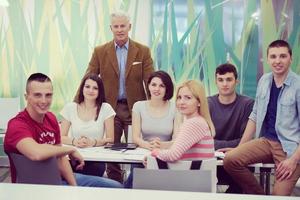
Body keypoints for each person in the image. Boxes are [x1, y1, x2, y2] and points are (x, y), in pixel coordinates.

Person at [4, 73, 122, 188]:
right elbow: (36, 153)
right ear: (26, 97)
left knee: (116, 187)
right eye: (37, 95)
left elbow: (61, 158)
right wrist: (70, 149)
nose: (44, 101)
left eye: (48, 95)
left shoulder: (50, 118)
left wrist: (74, 188)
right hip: (37, 186)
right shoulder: (17, 125)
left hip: (60, 179)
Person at [78, 11, 154, 182]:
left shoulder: (142, 51)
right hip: (110, 107)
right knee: (111, 148)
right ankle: (116, 184)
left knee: (138, 147)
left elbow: (151, 81)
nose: (120, 30)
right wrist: (78, 103)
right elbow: (88, 78)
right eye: (116, 26)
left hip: (135, 107)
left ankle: (136, 182)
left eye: (123, 26)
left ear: (129, 27)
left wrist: (154, 108)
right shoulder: (100, 51)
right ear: (110, 28)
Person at [223, 40, 300, 195]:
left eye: (282, 56)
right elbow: (255, 115)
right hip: (266, 141)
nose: (277, 61)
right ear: (267, 59)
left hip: (290, 147)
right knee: (230, 160)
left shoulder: (298, 85)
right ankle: (259, 196)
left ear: (290, 58)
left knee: (279, 196)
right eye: (273, 56)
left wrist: (294, 160)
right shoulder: (264, 80)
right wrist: (241, 147)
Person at [124, 70, 180, 188]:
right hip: (143, 152)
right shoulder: (138, 106)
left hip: (166, 154)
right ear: (148, 86)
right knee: (135, 180)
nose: (157, 89)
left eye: (161, 85)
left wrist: (162, 145)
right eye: (153, 84)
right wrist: (147, 145)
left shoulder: (175, 107)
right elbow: (135, 137)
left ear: (167, 88)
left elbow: (177, 139)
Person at [208, 63, 254, 193]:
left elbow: (246, 140)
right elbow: (204, 140)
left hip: (237, 161)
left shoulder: (247, 104)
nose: (224, 84)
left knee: (239, 186)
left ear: (236, 81)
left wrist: (217, 144)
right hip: (212, 162)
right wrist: (230, 146)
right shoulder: (208, 103)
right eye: (220, 80)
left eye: (229, 79)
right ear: (216, 82)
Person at [60, 73, 114, 177]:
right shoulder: (70, 107)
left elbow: (110, 139)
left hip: (96, 160)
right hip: (74, 157)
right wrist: (75, 141)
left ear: (100, 91)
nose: (90, 90)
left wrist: (92, 142)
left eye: (95, 88)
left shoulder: (106, 108)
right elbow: (61, 137)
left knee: (90, 173)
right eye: (87, 86)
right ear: (82, 88)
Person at [150, 80, 215, 161]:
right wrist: (162, 146)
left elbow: (172, 155)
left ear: (199, 102)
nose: (181, 102)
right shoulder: (198, 121)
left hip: (192, 173)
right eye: (179, 97)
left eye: (188, 98)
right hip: (196, 172)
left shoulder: (194, 123)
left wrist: (153, 153)